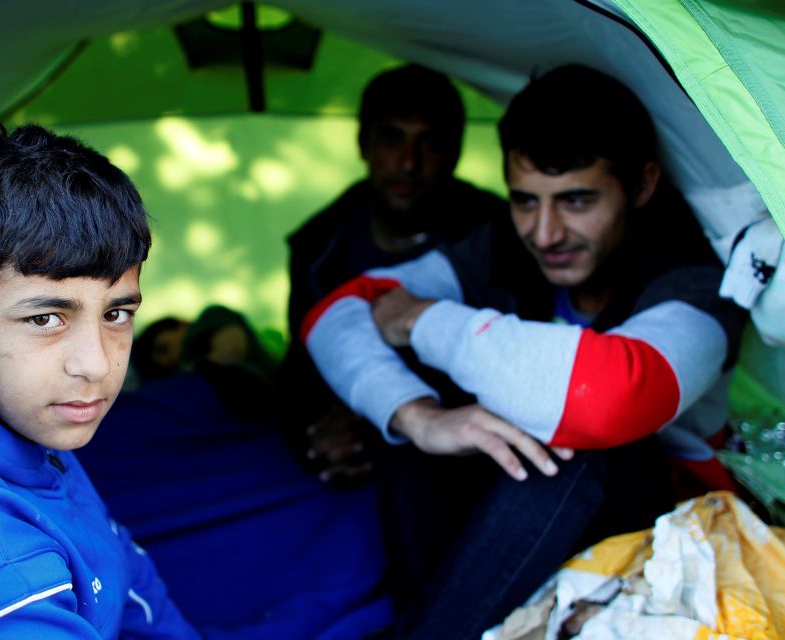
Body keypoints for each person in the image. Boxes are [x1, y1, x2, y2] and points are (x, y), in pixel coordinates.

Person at [301, 64, 747, 638]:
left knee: (574, 438)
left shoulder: (695, 275)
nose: (545, 233)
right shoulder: (506, 246)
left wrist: (423, 317)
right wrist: (419, 417)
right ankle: (428, 617)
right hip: (522, 517)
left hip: (667, 514)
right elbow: (338, 313)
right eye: (524, 202)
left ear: (641, 186)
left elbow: (609, 396)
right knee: (414, 400)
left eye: (577, 201)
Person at [0, 124, 201, 639]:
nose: (95, 365)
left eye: (117, 313)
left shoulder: (24, 412)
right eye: (45, 319)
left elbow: (131, 578)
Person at [281, 63, 507, 483]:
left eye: (430, 143)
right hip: (358, 439)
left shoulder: (496, 233)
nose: (408, 162)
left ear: (455, 151)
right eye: (391, 138)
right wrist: (319, 431)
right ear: (363, 143)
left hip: (461, 438)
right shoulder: (319, 245)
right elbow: (301, 371)